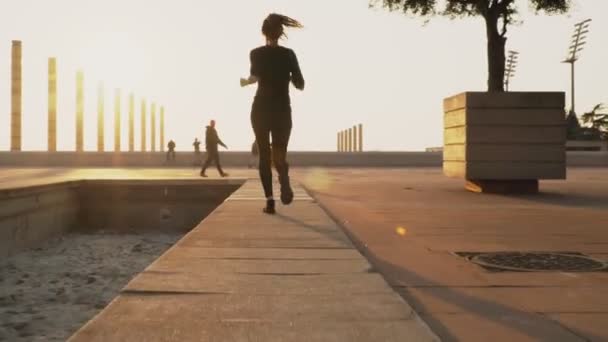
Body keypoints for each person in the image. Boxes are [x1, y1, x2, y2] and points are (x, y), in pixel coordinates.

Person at [240, 13, 304, 214]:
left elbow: (254, 77)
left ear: (263, 32)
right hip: (282, 111)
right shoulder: (289, 55)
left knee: (263, 156)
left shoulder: (256, 53)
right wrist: (291, 78)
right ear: (281, 32)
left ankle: (270, 201)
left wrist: (245, 82)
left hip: (260, 110)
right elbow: (300, 84)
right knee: (279, 155)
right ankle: (283, 176)